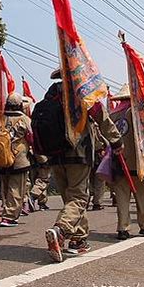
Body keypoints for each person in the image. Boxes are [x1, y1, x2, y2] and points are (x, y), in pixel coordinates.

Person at [39, 69, 123, 263]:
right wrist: (116, 142)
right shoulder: (83, 93)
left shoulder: (51, 94)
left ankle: (78, 240)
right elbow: (102, 118)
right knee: (78, 198)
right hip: (77, 152)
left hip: (55, 154)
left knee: (71, 198)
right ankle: (61, 229)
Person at [109, 85, 144, 239]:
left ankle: (123, 228)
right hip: (137, 162)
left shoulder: (113, 114)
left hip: (118, 161)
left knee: (122, 197)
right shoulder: (138, 113)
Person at [0, 93, 34, 227]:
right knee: (16, 189)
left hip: (1, 158)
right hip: (19, 158)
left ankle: (6, 211)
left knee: (6, 187)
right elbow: (32, 137)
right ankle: (9, 217)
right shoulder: (25, 119)